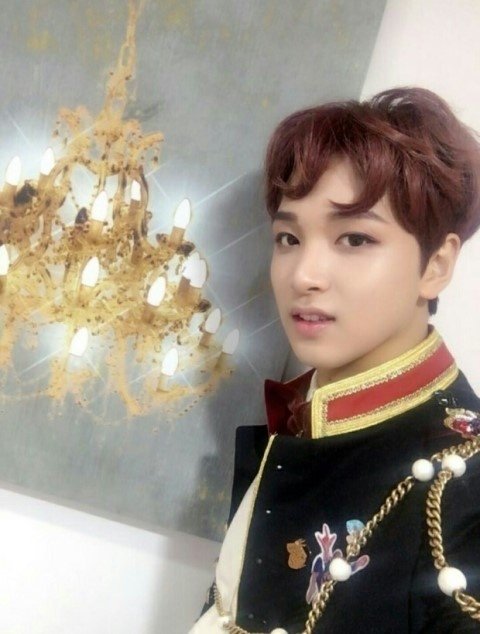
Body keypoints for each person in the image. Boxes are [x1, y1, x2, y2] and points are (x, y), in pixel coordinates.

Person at [190, 87, 480, 633]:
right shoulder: (302, 420)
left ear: (436, 264)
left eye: (354, 239)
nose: (304, 275)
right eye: (288, 238)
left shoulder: (465, 485)